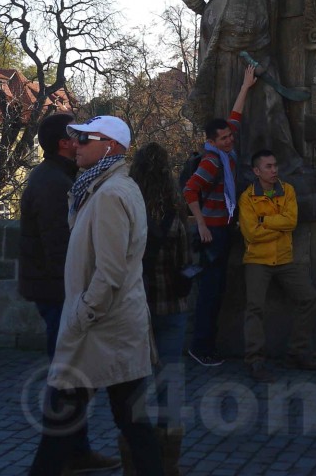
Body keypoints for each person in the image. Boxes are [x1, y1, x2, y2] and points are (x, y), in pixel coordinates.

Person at [27, 116, 162, 476]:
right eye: (76, 138)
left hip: (101, 328)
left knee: (66, 420)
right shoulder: (104, 187)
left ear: (111, 147)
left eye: (86, 138)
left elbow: (110, 271)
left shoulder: (110, 194)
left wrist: (81, 316)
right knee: (128, 421)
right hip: (111, 327)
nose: (77, 144)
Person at [18, 112, 116, 475]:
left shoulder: (57, 177)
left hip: (58, 291)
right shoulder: (53, 184)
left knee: (72, 375)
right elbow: (62, 247)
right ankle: (59, 458)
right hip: (59, 293)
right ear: (64, 143)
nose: (85, 140)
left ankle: (76, 451)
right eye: (80, 135)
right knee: (66, 376)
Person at [179, 0, 307, 173]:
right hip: (226, 50)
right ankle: (234, 166)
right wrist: (209, 14)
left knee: (269, 107)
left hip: (260, 47)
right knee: (229, 108)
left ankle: (271, 163)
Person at [183, 64, 258, 366]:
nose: (230, 139)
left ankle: (206, 345)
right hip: (212, 233)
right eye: (224, 138)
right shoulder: (213, 161)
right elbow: (190, 190)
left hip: (223, 228)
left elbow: (235, 118)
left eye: (229, 136)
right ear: (211, 142)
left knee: (217, 290)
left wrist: (245, 86)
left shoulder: (226, 153)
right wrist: (201, 225)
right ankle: (201, 348)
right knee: (211, 294)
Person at [129, 142, 191, 476]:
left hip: (137, 306)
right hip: (172, 306)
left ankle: (137, 457)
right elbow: (185, 263)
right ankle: (169, 463)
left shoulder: (130, 208)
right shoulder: (175, 212)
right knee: (170, 380)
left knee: (135, 381)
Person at [238, 149, 316, 381]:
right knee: (254, 308)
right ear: (256, 171)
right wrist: (276, 226)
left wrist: (264, 221)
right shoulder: (248, 197)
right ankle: (255, 360)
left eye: (275, 165)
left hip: (284, 258)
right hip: (257, 260)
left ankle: (297, 351)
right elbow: (251, 234)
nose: (274, 170)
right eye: (268, 167)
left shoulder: (288, 191)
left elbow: (291, 221)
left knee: (310, 298)